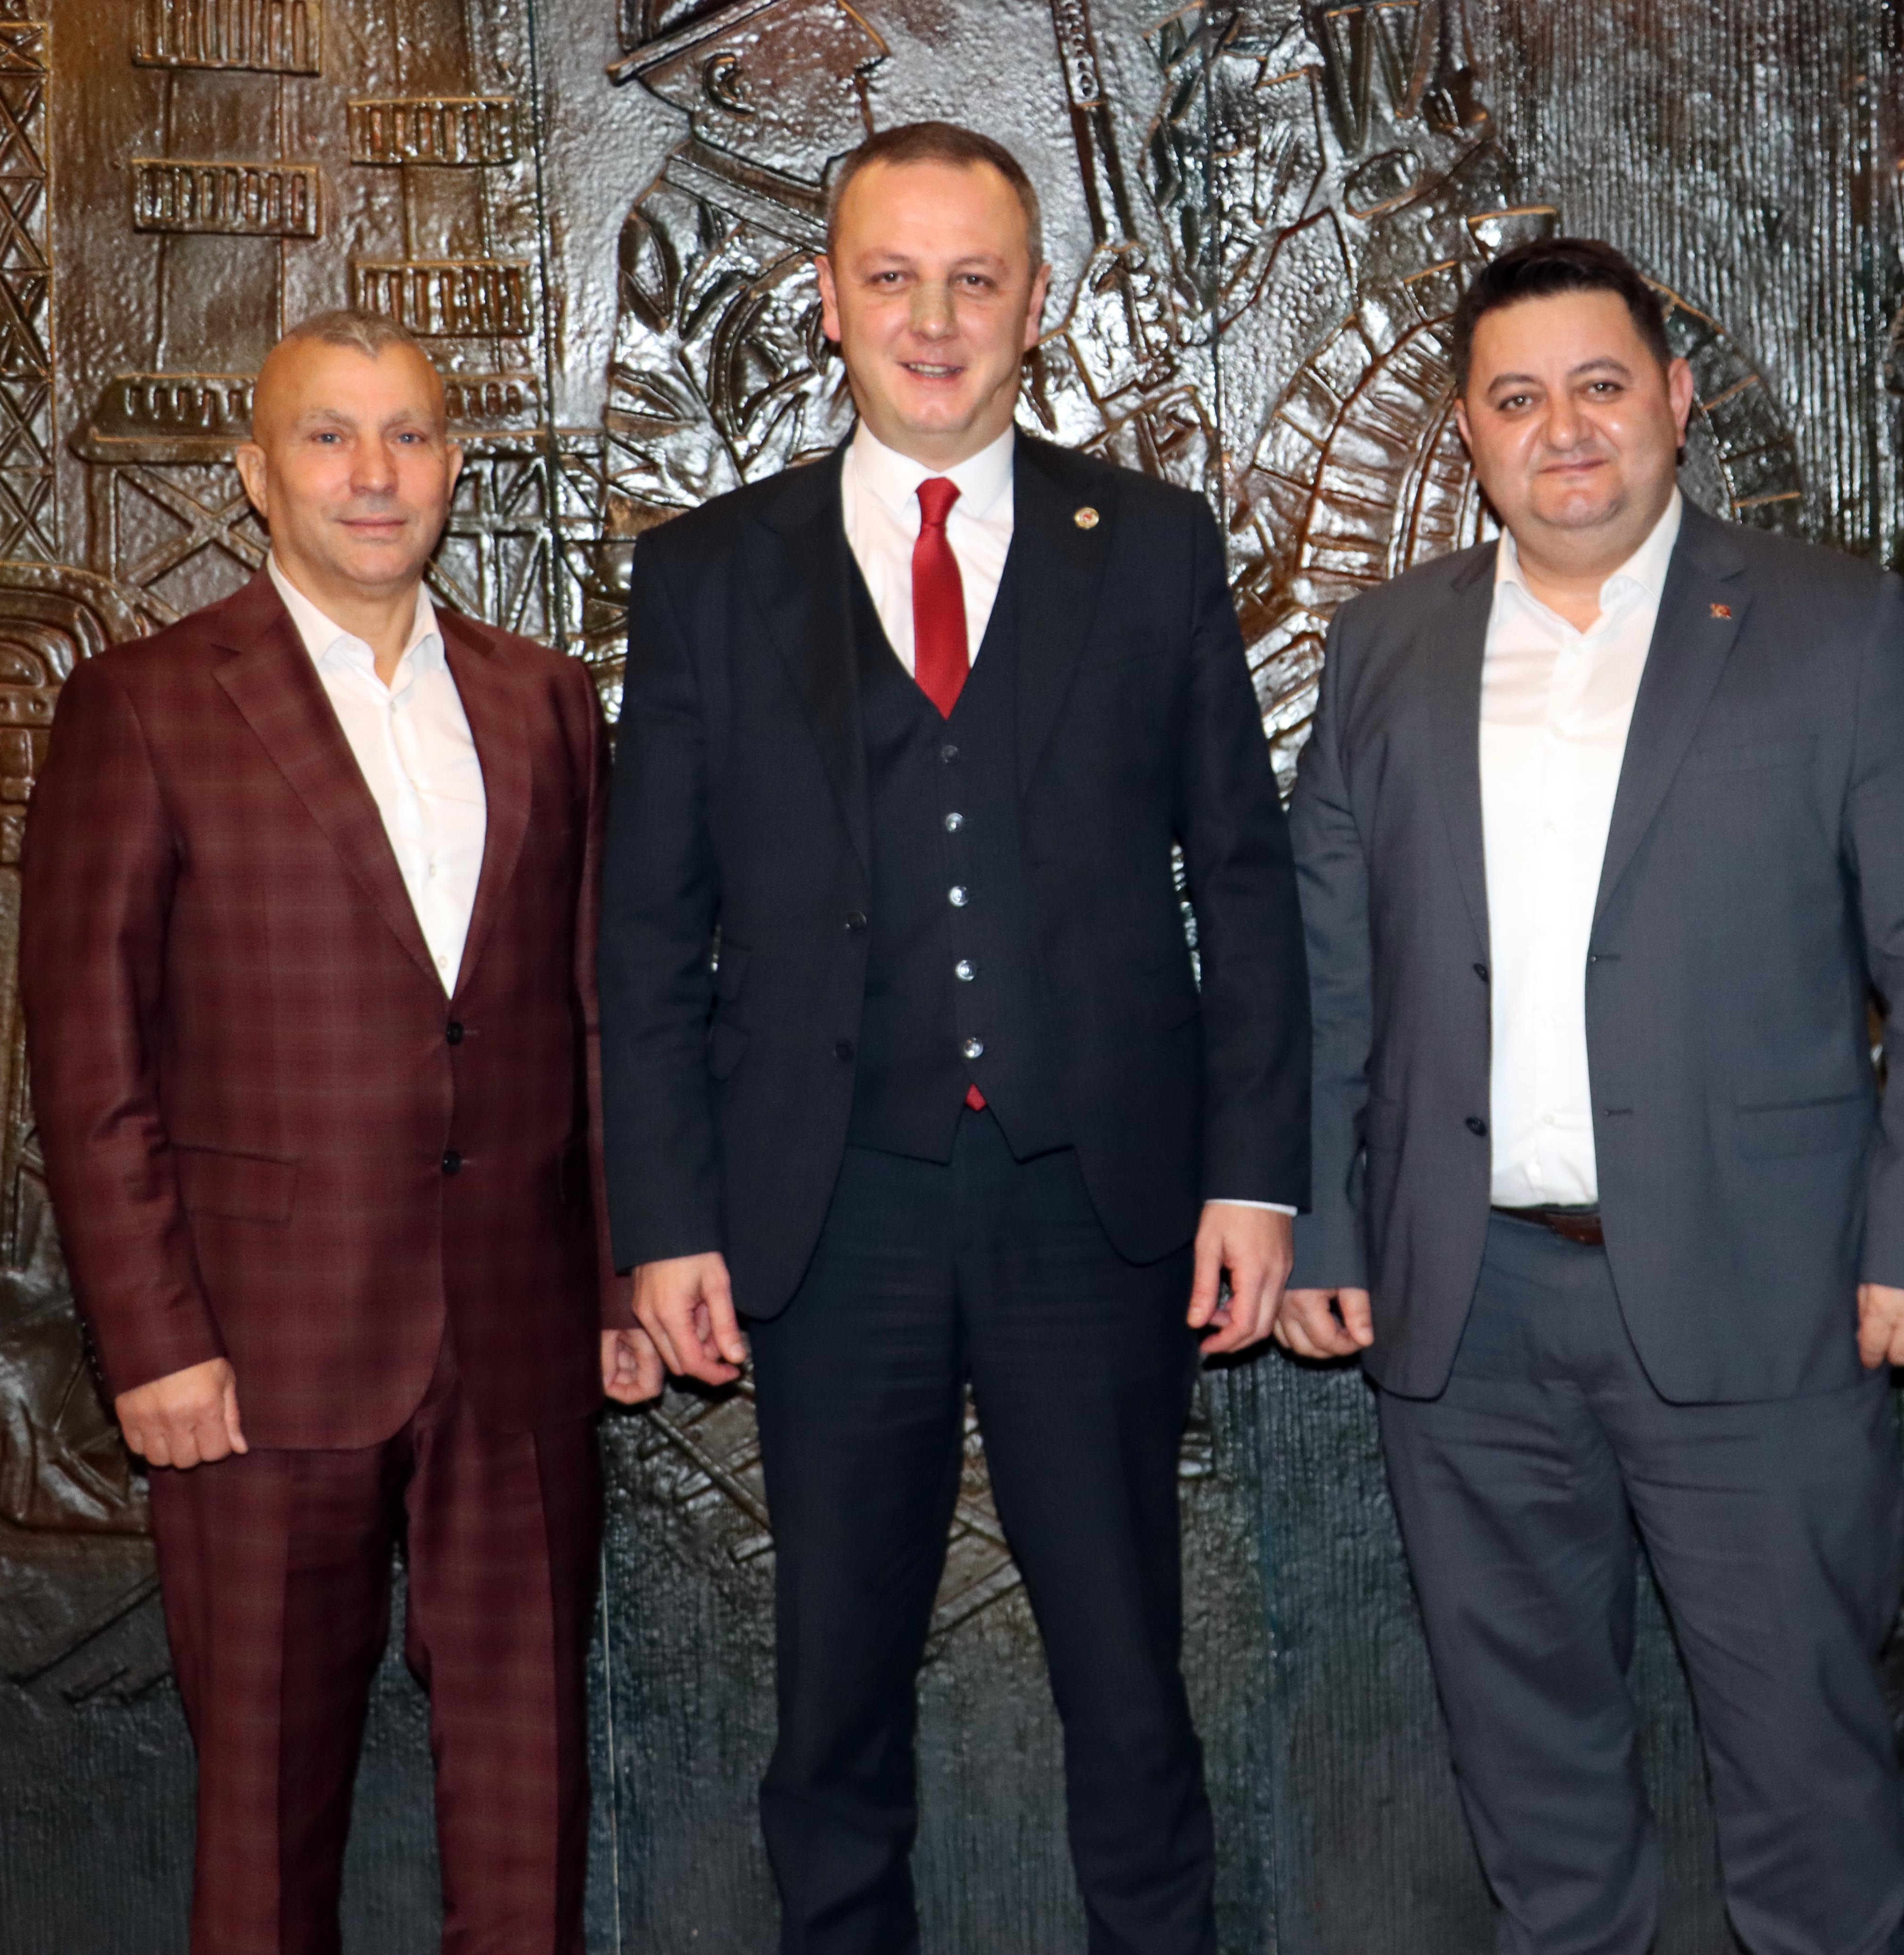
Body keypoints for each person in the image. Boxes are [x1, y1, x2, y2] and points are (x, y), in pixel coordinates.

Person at [598, 122, 1307, 1955]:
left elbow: (1241, 882)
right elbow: (650, 928)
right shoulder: (707, 574)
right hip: (830, 1212)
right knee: (832, 1691)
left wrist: (1255, 1177)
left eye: (973, 279)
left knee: (1130, 1681)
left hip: (1100, 1206)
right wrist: (666, 1221)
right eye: (893, 277)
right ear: (827, 300)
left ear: (1035, 303)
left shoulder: (1149, 546)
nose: (934, 319)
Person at [1279, 237, 1904, 1955]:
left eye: (1601, 385)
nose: (1565, 429)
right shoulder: (1385, 646)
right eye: (1518, 397)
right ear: (1471, 432)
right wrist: (1321, 1220)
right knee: (1532, 1796)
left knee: (1809, 1788)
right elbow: (1324, 970)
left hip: (1764, 1297)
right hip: (1465, 1312)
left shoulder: (1830, 622)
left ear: (1676, 401)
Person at [21, 308, 653, 1955]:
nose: (375, 474)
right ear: (257, 471)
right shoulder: (143, 705)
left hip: (517, 1345)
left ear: (452, 463)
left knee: (526, 1828)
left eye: (409, 435)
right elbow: (89, 1058)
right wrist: (154, 1340)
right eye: (328, 436)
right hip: (256, 1358)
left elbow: (593, 1016)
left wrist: (611, 1284)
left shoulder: (547, 701)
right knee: (267, 1835)